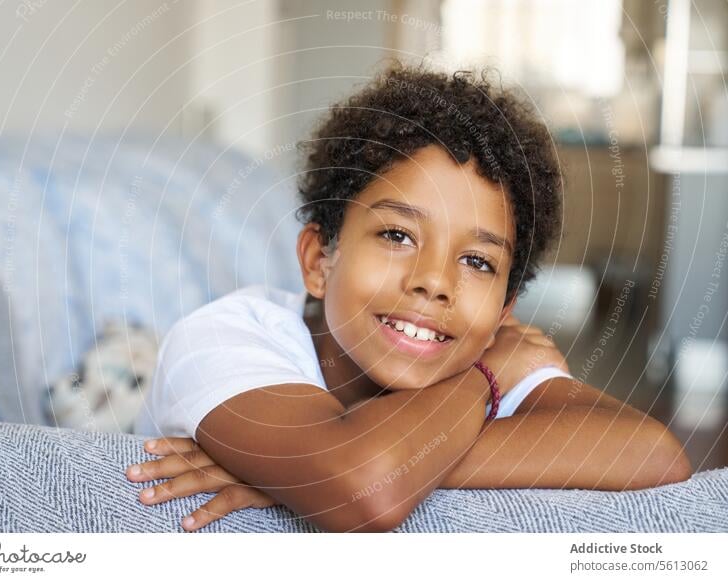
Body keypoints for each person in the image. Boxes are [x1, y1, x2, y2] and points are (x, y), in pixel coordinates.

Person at [127, 60, 692, 533]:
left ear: (502, 313)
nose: (435, 282)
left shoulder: (479, 348)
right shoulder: (223, 338)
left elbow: (653, 453)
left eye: (477, 261)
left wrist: (327, 471)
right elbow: (368, 492)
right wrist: (485, 379)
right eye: (397, 235)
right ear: (318, 261)